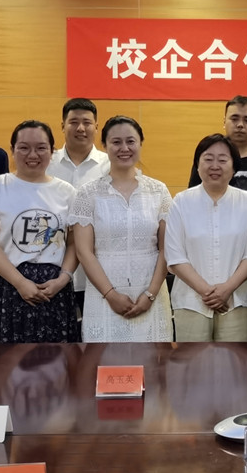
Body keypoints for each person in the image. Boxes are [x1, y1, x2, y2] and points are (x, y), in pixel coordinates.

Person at [0, 120, 79, 343]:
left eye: (41, 148)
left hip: (53, 289)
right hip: (6, 285)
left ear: (52, 151)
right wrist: (20, 283)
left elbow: (74, 243)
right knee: (5, 358)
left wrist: (62, 279)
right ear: (12, 150)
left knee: (56, 359)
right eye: (24, 147)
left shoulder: (67, 192)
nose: (33, 154)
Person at [70, 116, 174, 342]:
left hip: (151, 294)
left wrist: (150, 294)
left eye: (131, 141)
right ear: (104, 145)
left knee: (153, 361)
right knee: (104, 359)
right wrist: (111, 295)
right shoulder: (88, 193)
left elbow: (166, 249)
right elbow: (84, 252)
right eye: (116, 142)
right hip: (104, 296)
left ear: (140, 143)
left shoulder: (159, 191)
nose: (124, 148)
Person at [166, 134, 247, 342]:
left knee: (234, 360)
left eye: (222, 160)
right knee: (192, 361)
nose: (215, 166)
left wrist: (226, 290)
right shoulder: (181, 202)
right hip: (190, 302)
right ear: (197, 165)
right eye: (208, 159)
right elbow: (175, 255)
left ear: (234, 166)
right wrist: (207, 292)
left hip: (236, 301)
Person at [49, 97, 109, 312]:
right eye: (74, 122)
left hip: (96, 273)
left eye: (87, 122)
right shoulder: (46, 162)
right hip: (52, 269)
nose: (81, 128)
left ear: (97, 126)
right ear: (62, 125)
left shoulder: (110, 165)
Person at [187, 95, 247, 210]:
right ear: (224, 122)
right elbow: (192, 198)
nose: (240, 125)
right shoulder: (207, 158)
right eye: (234, 119)